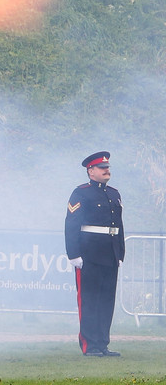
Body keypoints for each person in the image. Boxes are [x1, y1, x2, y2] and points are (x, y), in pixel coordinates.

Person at [65, 151, 125, 357]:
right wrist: (73, 253)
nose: (107, 170)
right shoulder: (81, 193)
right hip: (89, 254)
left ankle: (102, 343)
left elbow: (118, 225)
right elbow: (71, 224)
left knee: (106, 300)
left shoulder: (114, 194)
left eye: (107, 167)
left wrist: (120, 253)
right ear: (91, 172)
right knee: (89, 300)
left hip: (109, 253)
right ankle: (89, 345)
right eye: (102, 168)